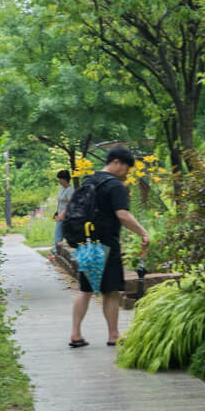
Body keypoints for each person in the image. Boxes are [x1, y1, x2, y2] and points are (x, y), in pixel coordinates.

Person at [69, 146, 150, 349]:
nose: (125, 174)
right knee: (111, 291)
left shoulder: (90, 180)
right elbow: (122, 215)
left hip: (87, 241)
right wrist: (142, 232)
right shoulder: (114, 186)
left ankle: (75, 334)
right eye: (125, 168)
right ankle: (114, 335)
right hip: (106, 242)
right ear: (116, 162)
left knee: (85, 289)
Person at [52, 168, 72, 246]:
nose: (59, 180)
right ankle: (56, 251)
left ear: (64, 179)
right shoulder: (61, 188)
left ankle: (56, 251)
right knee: (58, 234)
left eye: (60, 179)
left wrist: (62, 214)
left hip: (65, 216)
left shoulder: (70, 190)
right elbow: (60, 201)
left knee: (59, 234)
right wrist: (57, 212)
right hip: (59, 215)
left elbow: (70, 205)